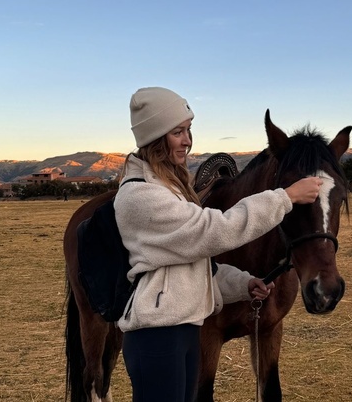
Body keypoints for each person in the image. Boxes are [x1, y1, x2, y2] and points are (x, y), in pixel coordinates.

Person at [113, 86, 323, 402]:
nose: (188, 140)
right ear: (155, 137)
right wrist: (286, 197)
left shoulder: (170, 189)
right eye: (177, 132)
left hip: (183, 329)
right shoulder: (141, 196)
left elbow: (195, 265)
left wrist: (242, 283)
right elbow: (213, 231)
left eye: (188, 130)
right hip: (156, 337)